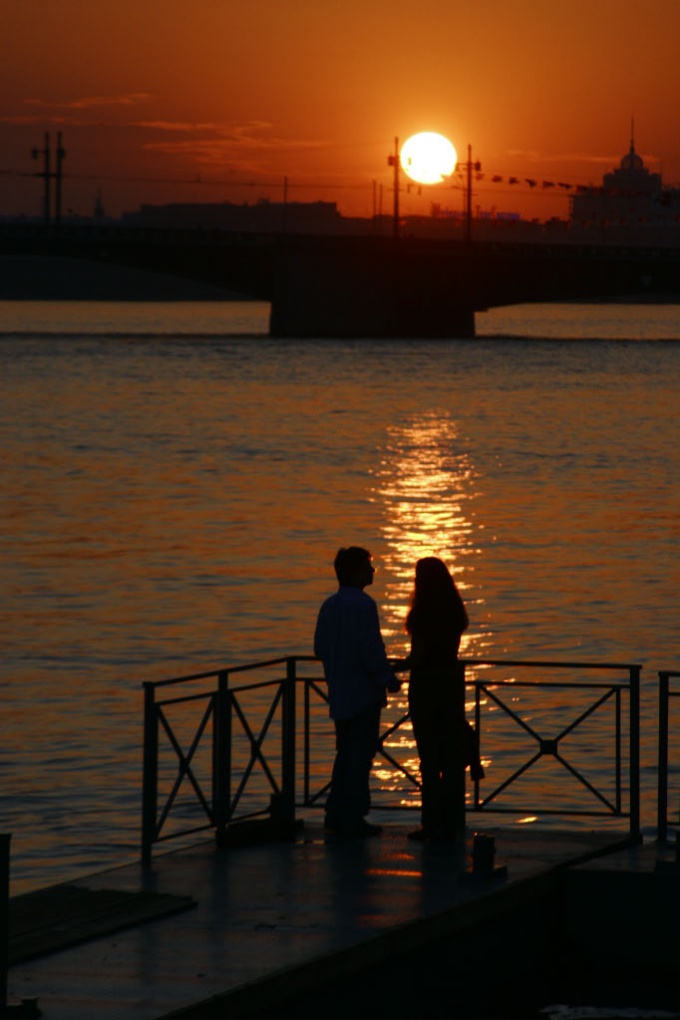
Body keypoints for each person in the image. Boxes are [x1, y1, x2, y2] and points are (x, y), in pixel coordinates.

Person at [314, 546, 400, 837]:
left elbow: (319, 648)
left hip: (339, 691)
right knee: (360, 757)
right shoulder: (364, 606)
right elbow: (371, 650)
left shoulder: (329, 605)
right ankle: (352, 818)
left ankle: (335, 814)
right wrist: (387, 678)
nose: (373, 572)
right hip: (363, 694)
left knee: (344, 754)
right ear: (355, 572)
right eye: (368, 567)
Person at [405, 556, 483, 842]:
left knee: (428, 759)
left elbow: (419, 657)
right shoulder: (454, 611)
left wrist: (395, 669)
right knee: (450, 757)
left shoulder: (423, 613)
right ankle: (452, 820)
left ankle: (432, 823)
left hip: (426, 687)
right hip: (450, 686)